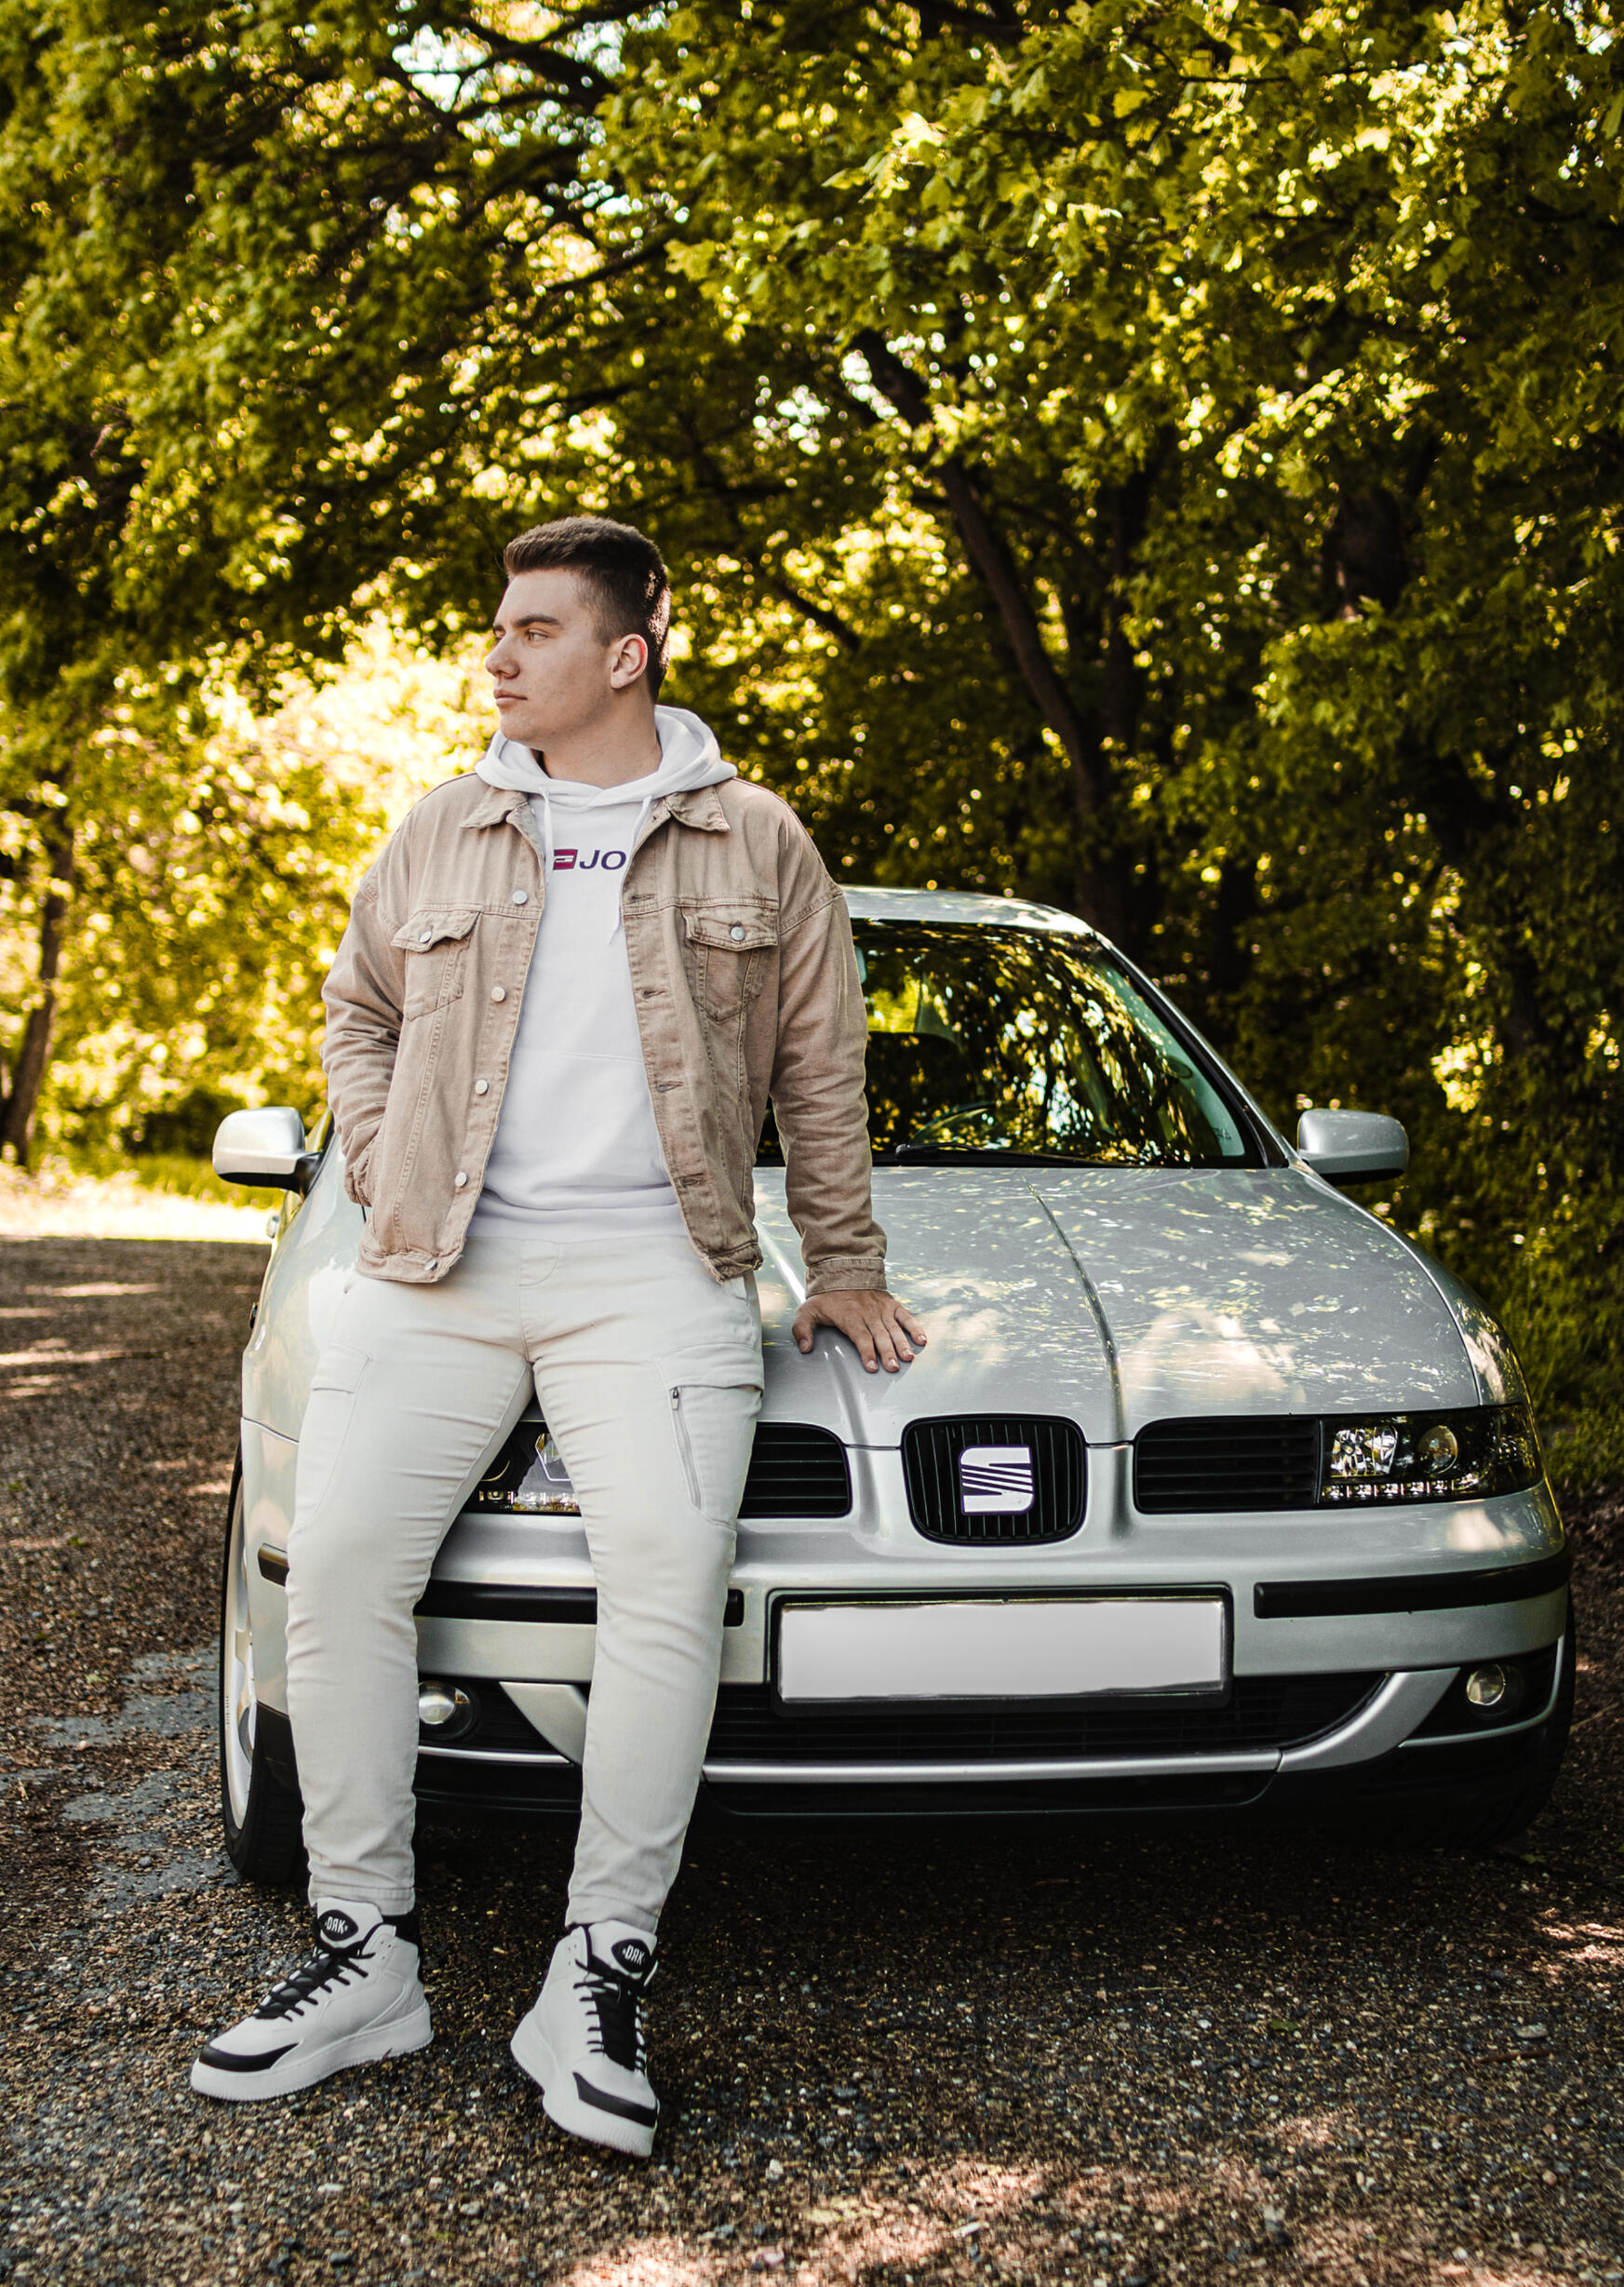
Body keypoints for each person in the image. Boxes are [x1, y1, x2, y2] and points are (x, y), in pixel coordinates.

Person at [191, 515, 925, 2154]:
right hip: (437, 1266)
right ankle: (365, 1952)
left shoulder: (757, 840)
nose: (498, 656)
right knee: (340, 1567)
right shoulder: (441, 826)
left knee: (665, 1587)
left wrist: (844, 1260)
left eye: (532, 630)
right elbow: (358, 1009)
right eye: (499, 628)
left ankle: (598, 1968)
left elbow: (819, 1066)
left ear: (626, 653)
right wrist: (379, 1156)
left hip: (656, 1272)